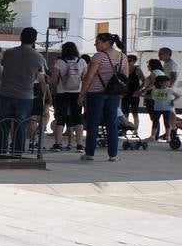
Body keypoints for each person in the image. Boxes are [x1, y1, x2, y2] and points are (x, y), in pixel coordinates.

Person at [79, 32, 127, 162]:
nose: (95, 44)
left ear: (107, 43)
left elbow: (89, 77)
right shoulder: (123, 57)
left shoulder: (99, 56)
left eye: (98, 42)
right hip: (114, 93)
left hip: (96, 92)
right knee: (112, 123)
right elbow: (124, 77)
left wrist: (82, 94)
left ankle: (90, 153)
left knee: (93, 123)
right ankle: (113, 154)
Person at [0, 28, 46, 154]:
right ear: (35, 40)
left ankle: (1, 149)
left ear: (20, 37)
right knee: (21, 125)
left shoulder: (8, 53)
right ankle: (17, 152)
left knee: (4, 123)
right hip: (25, 95)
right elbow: (40, 75)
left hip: (6, 92)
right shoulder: (38, 57)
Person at [49, 41, 85, 152]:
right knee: (77, 119)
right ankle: (79, 145)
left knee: (61, 118)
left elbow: (54, 81)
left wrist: (53, 86)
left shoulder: (59, 62)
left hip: (62, 93)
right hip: (77, 92)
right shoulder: (82, 61)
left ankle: (58, 144)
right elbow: (85, 77)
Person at [149, 75, 176, 141]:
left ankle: (168, 136)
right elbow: (152, 97)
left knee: (166, 122)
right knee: (155, 122)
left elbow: (178, 96)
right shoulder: (155, 90)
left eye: (168, 82)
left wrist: (173, 101)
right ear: (160, 83)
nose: (168, 83)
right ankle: (153, 136)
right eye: (166, 82)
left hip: (167, 108)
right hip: (157, 108)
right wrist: (142, 95)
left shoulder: (170, 90)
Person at [122, 53, 144, 132]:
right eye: (127, 60)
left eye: (130, 60)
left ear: (134, 61)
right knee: (125, 112)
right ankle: (124, 128)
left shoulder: (137, 70)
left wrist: (139, 90)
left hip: (134, 94)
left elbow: (144, 81)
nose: (128, 62)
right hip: (125, 93)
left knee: (135, 112)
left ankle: (136, 129)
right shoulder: (124, 69)